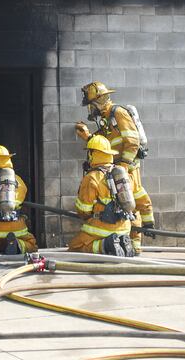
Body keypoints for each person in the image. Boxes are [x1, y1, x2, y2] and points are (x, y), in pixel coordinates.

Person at [75, 82, 154, 253]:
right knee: (124, 201)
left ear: (98, 101)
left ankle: (135, 247)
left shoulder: (118, 113)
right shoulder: (105, 120)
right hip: (115, 166)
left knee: (130, 200)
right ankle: (127, 244)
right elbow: (102, 146)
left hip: (127, 166)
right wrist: (88, 136)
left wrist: (124, 166)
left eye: (91, 106)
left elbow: (133, 141)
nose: (90, 110)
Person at [68, 135, 136, 257]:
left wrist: (87, 216)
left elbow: (84, 210)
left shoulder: (92, 177)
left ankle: (106, 245)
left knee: (75, 246)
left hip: (103, 229)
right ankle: (121, 242)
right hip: (125, 228)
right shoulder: (122, 173)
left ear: (93, 154)